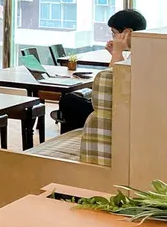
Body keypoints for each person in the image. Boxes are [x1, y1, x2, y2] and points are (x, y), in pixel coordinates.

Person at [61, 8, 146, 137]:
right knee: (74, 99)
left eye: (114, 33)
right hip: (120, 107)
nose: (113, 37)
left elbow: (110, 82)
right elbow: (116, 74)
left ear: (127, 33)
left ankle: (80, 137)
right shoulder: (142, 51)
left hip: (118, 111)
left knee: (68, 101)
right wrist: (115, 53)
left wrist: (117, 52)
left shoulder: (138, 56)